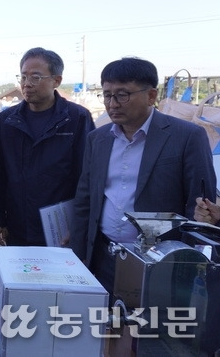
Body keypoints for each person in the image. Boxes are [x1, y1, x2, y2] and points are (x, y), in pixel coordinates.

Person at [69, 57, 216, 295]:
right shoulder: (98, 139)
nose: (112, 103)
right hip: (105, 254)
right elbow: (85, 199)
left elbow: (200, 207)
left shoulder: (187, 137)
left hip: (161, 260)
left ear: (151, 96)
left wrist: (188, 264)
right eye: (107, 95)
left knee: (151, 327)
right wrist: (78, 254)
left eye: (122, 95)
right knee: (109, 324)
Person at [0, 47, 95, 246]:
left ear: (57, 81)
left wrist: (79, 224)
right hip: (17, 222)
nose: (27, 84)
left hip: (61, 225)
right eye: (23, 77)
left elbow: (86, 175)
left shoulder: (76, 118)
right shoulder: (7, 120)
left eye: (35, 77)